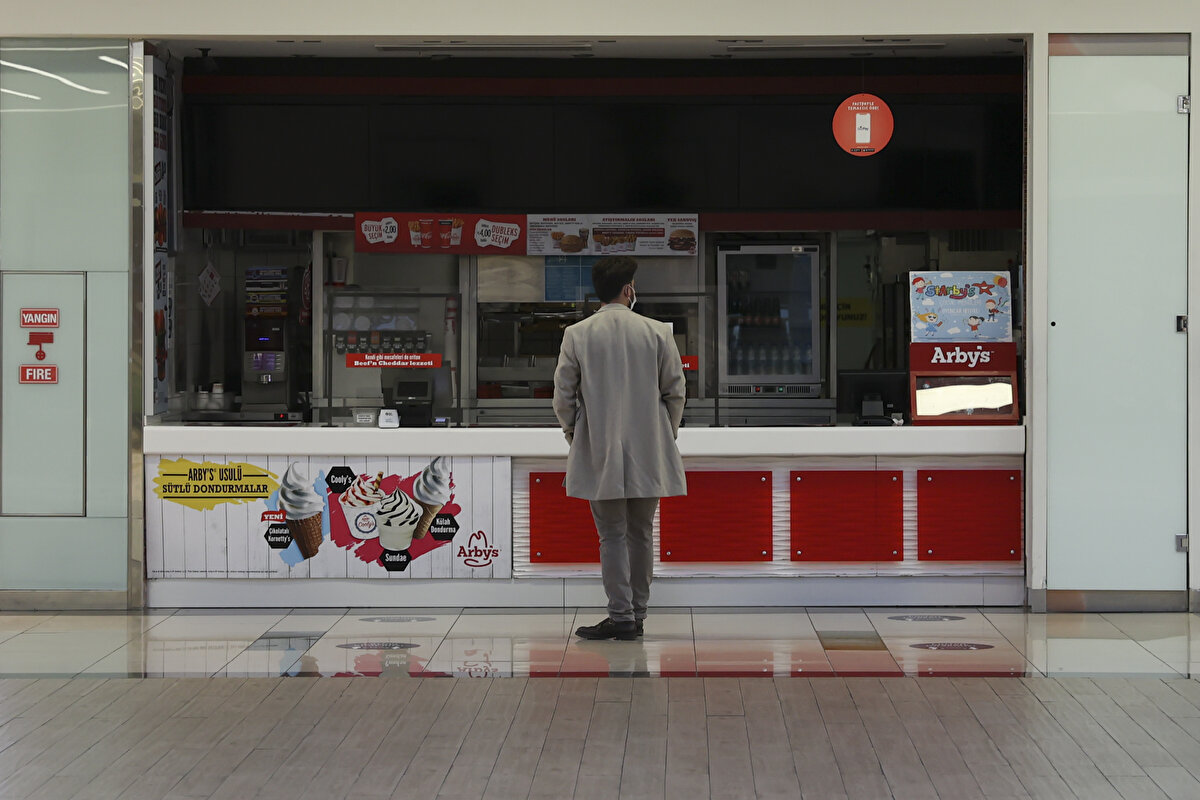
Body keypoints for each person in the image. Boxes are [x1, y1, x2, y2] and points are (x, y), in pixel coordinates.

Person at [553, 256, 687, 640]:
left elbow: (563, 397)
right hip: (649, 450)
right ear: (629, 289)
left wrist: (575, 436)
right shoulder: (657, 332)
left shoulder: (577, 334)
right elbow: (675, 391)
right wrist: (663, 435)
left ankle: (621, 616)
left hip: (600, 449)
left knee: (611, 535)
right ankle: (638, 614)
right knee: (641, 532)